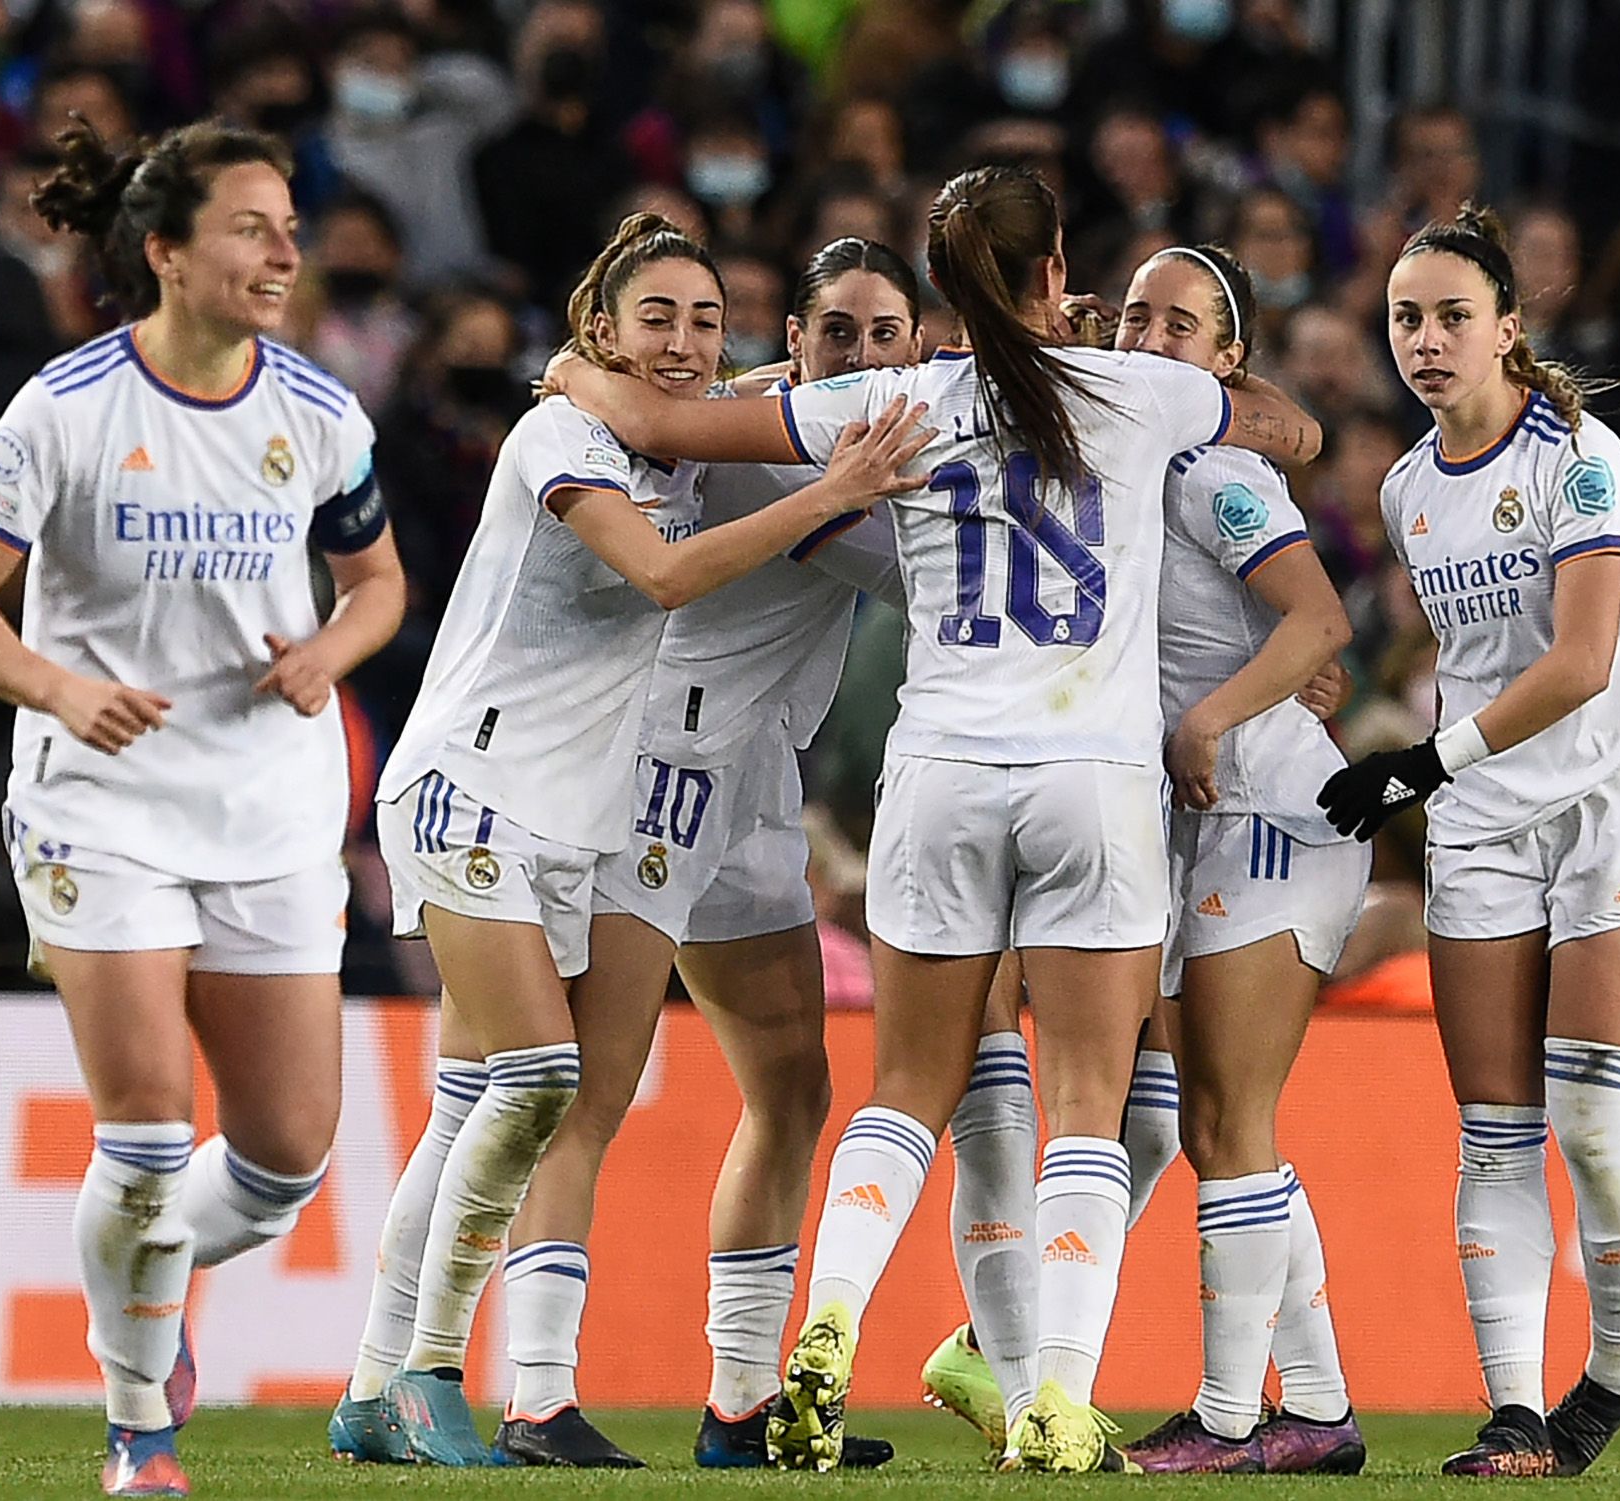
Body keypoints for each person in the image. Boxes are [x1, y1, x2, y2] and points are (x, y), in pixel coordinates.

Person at [544, 164, 1324, 1474]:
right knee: (1086, 1104)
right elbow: (1294, 436)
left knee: (905, 1089)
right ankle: (1055, 1400)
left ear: (937, 288)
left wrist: (573, 376)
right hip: (1092, 781)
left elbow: (663, 428)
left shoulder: (890, 399)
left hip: (941, 777)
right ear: (1050, 272)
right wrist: (1214, 396)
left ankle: (830, 1327)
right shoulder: (1141, 391)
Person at [327, 213, 931, 1468]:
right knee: (566, 1091)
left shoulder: (740, 412)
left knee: (790, 1083)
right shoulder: (768, 451)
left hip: (754, 779)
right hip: (643, 771)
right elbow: (883, 552)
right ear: (799, 344)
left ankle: (742, 1401)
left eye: (888, 333)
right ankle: (532, 1390)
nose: (863, 354)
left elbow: (684, 398)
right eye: (836, 333)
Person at [0, 118, 409, 1497]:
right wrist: (60, 691)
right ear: (166, 251)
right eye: (254, 226)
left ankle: (149, 1273)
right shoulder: (65, 408)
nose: (285, 249)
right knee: (139, 1129)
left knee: (283, 1159)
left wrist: (328, 650)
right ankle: (141, 1431)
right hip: (101, 803)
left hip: (267, 805)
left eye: (289, 226)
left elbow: (376, 584)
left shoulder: (317, 413)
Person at [1314, 204, 1620, 1481]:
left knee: (1592, 1120)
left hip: (1608, 795)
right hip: (1484, 820)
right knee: (1494, 1130)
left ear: (1508, 330)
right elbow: (1472, 663)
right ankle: (1517, 1417)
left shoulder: (1579, 460)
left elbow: (1584, 663)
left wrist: (1424, 763)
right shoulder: (1407, 485)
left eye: (1451, 317)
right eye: (1406, 319)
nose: (1425, 341)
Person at [1101, 244, 1365, 1475]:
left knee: (1227, 1114)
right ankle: (1315, 1405)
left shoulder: (1216, 472)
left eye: (1181, 324)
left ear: (1226, 364)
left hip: (1273, 811)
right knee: (1222, 1124)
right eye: (1136, 318)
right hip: (1214, 818)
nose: (1153, 339)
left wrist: (1208, 718)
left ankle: (1227, 1417)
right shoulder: (1113, 470)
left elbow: (1323, 620)